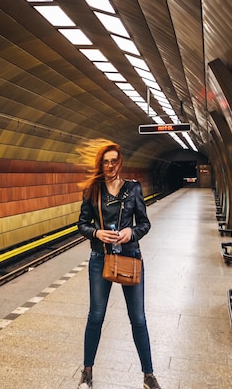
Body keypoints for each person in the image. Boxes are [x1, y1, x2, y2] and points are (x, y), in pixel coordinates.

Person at [76, 140, 161, 389]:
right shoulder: (92, 190)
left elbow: (145, 224)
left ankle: (148, 375)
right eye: (106, 161)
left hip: (129, 257)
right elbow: (82, 224)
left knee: (138, 318)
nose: (110, 165)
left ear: (119, 162)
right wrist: (96, 233)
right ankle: (87, 371)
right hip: (100, 258)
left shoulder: (133, 189)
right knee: (96, 315)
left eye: (114, 161)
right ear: (101, 164)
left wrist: (130, 233)